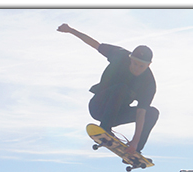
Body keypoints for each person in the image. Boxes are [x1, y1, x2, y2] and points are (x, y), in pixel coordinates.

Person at [57, 23, 159, 156]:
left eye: (142, 66)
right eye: (135, 64)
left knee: (152, 113)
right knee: (122, 88)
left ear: (149, 65)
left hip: (118, 113)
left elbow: (141, 113)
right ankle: (105, 127)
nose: (137, 69)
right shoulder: (120, 55)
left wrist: (135, 140)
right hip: (99, 106)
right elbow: (95, 44)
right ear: (130, 59)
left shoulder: (149, 84)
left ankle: (135, 151)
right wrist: (70, 30)